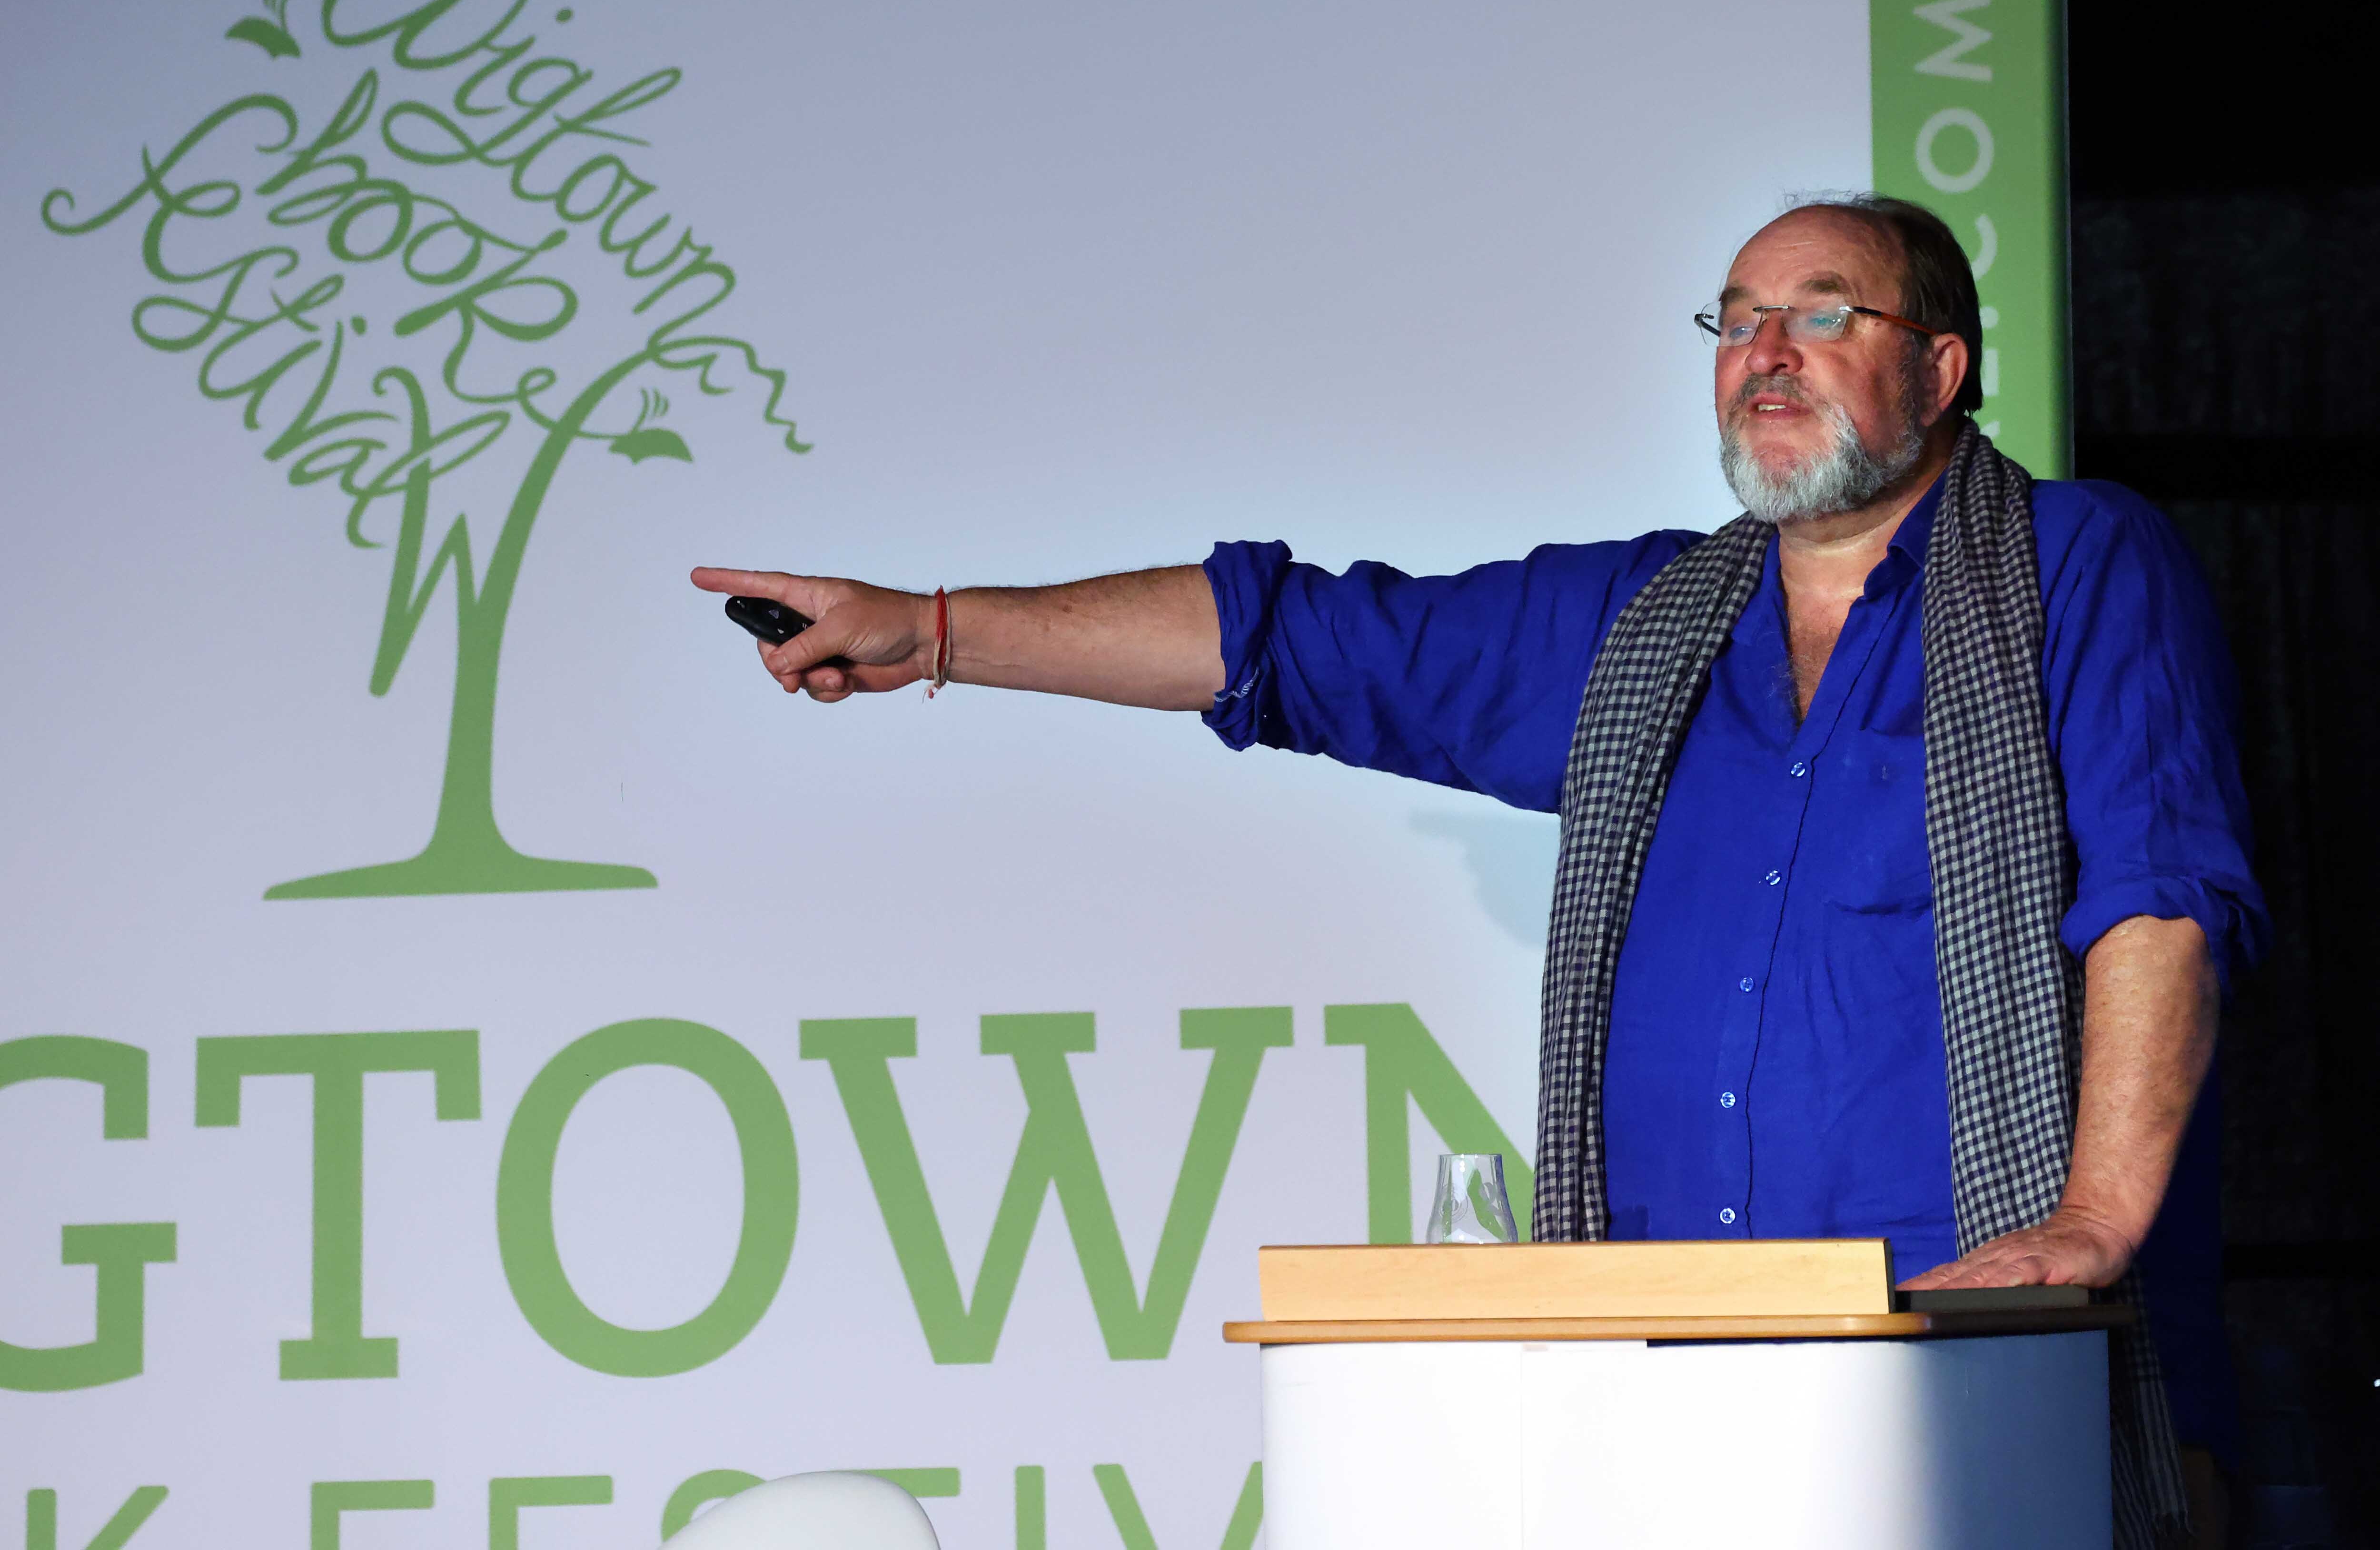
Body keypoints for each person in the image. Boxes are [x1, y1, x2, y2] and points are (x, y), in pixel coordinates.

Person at [694, 194, 2261, 1550]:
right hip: (1664, 1398)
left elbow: (2159, 895)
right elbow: (1289, 637)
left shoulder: (2079, 565)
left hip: (1986, 1376)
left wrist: (2098, 1219)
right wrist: (942, 630)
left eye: (1821, 313)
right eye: (1735, 320)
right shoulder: (1636, 628)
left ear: (1940, 368)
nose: (1763, 353)